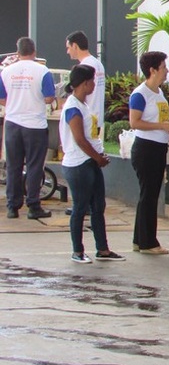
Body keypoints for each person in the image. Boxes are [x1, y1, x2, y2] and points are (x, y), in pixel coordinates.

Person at [59, 64, 124, 263]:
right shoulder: (73, 107)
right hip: (79, 163)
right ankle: (77, 251)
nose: (94, 85)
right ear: (85, 83)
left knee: (98, 206)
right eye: (92, 81)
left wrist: (98, 156)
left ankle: (102, 249)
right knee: (80, 207)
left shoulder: (83, 104)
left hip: (90, 161)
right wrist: (97, 158)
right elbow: (79, 139)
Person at [0, 37, 56, 219]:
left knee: (13, 166)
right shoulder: (43, 71)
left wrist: (15, 103)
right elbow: (49, 98)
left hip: (12, 123)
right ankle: (33, 205)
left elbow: (2, 99)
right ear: (34, 52)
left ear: (17, 52)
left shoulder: (6, 71)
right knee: (34, 166)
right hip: (35, 125)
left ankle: (12, 207)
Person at [129, 51, 169, 254]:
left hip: (158, 147)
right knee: (148, 195)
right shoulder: (140, 94)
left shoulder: (159, 93)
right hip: (146, 148)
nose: (167, 71)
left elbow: (160, 118)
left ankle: (140, 239)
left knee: (150, 194)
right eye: (164, 67)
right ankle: (148, 242)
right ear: (153, 70)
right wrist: (161, 126)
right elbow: (134, 122)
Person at [66, 31, 105, 139]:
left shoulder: (84, 67)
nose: (67, 51)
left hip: (87, 119)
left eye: (68, 47)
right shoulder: (98, 63)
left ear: (75, 46)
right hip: (96, 118)